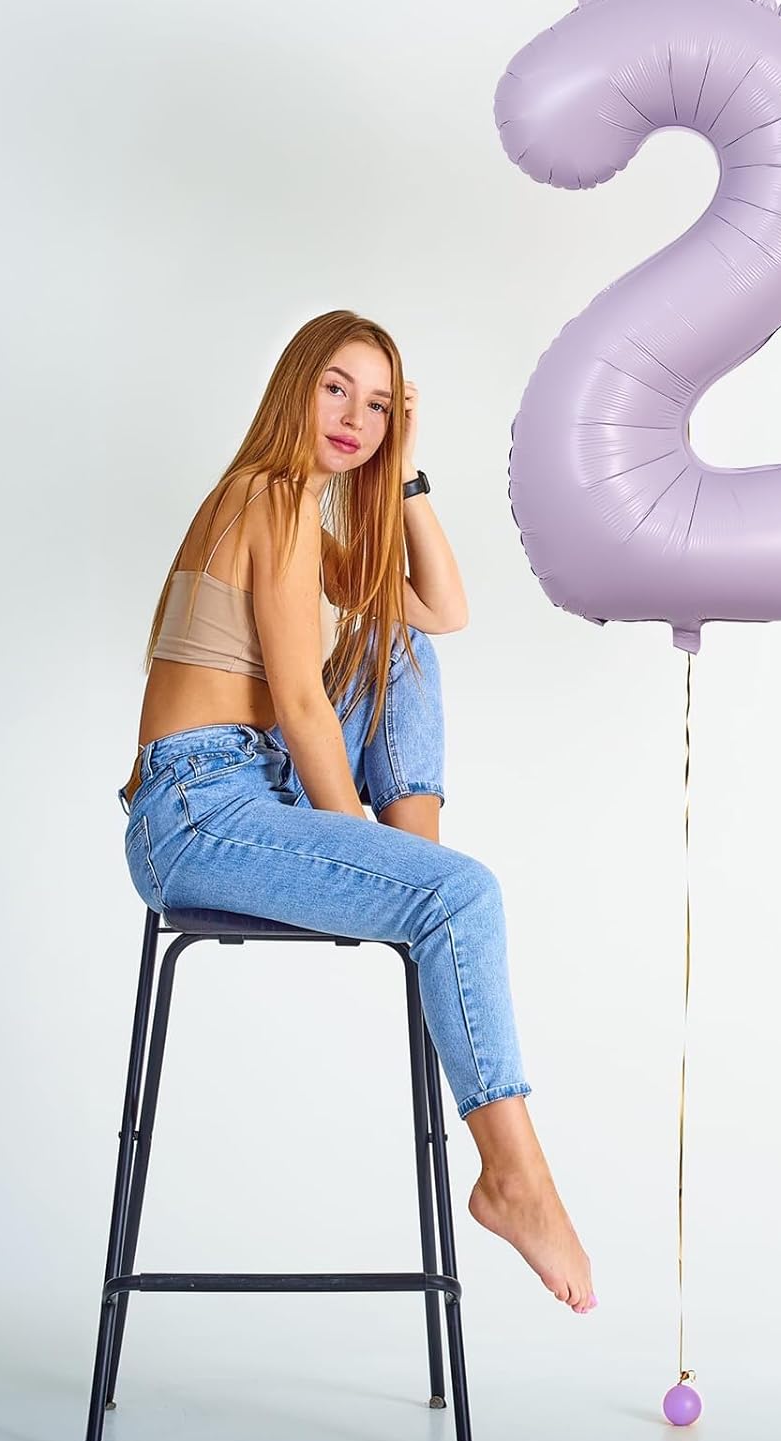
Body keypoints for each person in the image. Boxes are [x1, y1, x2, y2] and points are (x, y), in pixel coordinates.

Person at [117, 309, 595, 1314]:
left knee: (396, 640)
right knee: (462, 896)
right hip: (196, 811)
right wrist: (364, 851)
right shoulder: (271, 495)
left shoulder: (306, 514)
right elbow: (300, 704)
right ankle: (514, 1177)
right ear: (295, 385)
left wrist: (408, 475)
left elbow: (442, 610)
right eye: (336, 387)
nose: (354, 418)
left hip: (250, 788)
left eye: (379, 406)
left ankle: (417, 881)